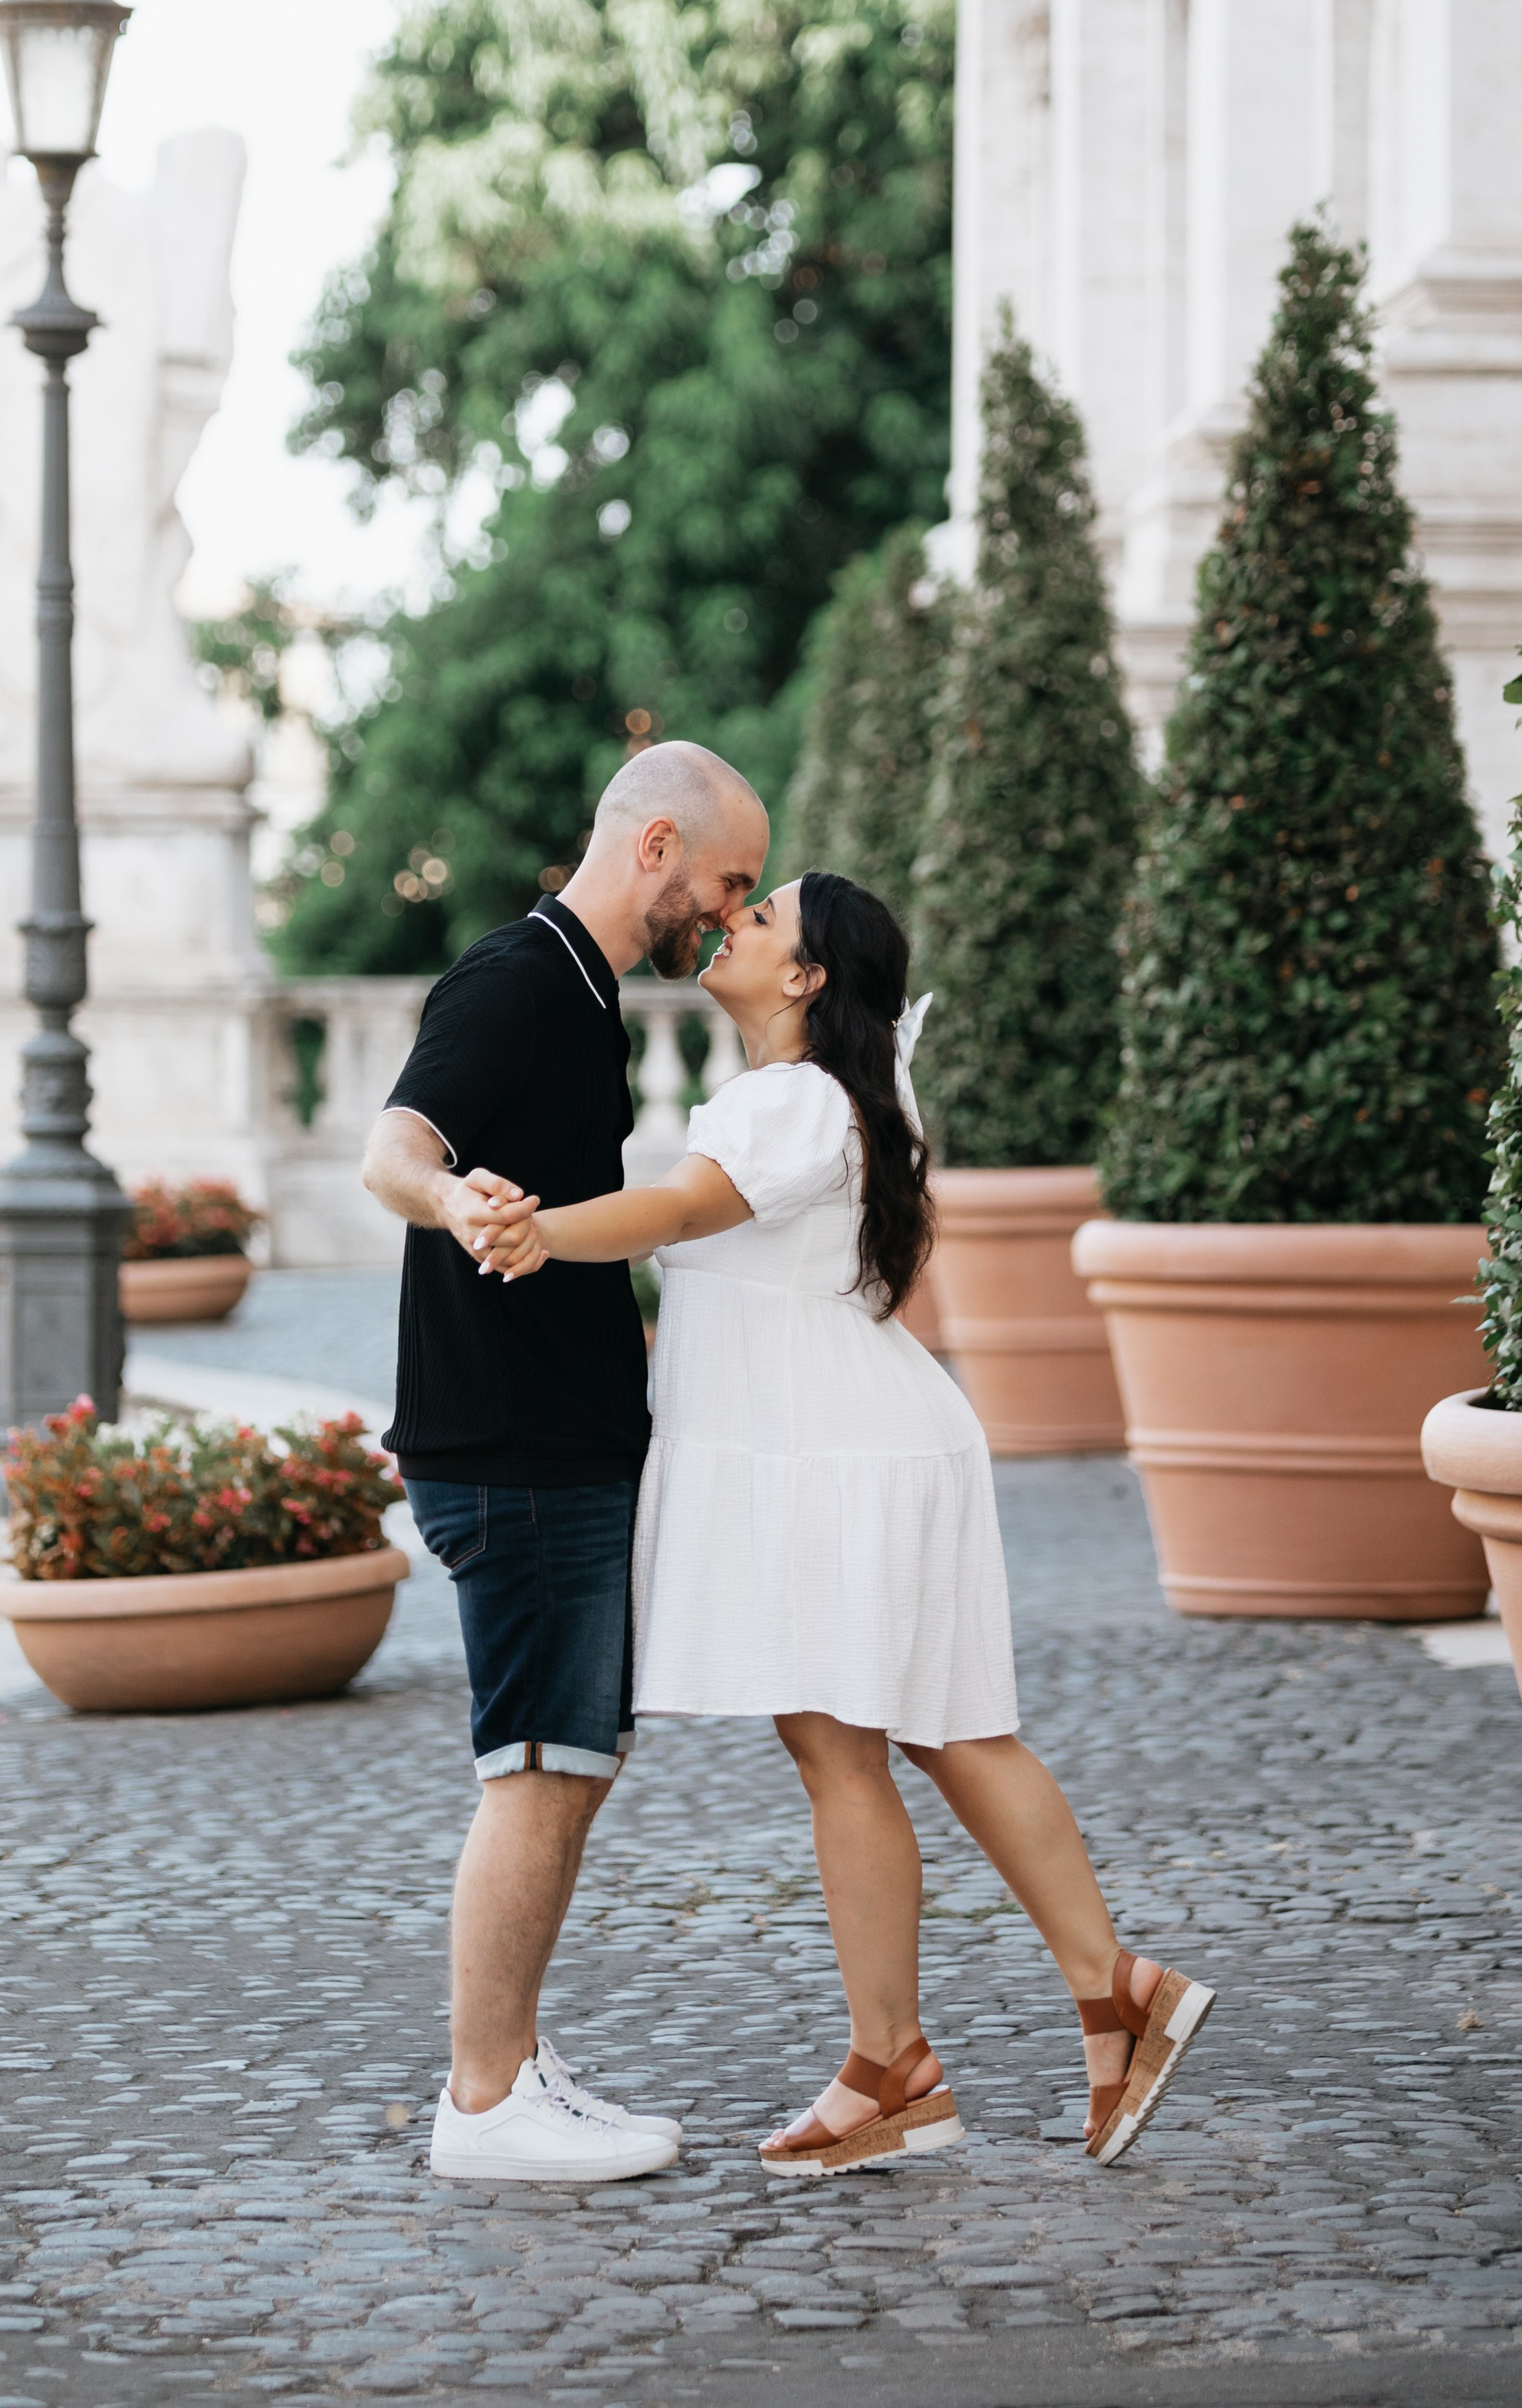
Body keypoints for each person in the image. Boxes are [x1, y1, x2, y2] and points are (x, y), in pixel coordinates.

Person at [478, 870, 1215, 2173]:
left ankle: (900, 2065)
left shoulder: (787, 1100)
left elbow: (678, 1213)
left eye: (762, 919)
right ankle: (1107, 1995)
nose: (733, 923)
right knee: (950, 1735)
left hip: (833, 1454)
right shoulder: (837, 1100)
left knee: (846, 1755)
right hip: (867, 1437)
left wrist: (540, 1233)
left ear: (809, 980)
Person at [361, 740, 770, 2182]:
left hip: (558, 1444)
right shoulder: (518, 979)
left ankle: (515, 2059)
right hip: (515, 1451)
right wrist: (452, 1199)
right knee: (535, 1765)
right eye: (725, 883)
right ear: (654, 845)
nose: (729, 914)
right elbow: (390, 1149)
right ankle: (481, 2104)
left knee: (569, 1761)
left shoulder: (583, 996)